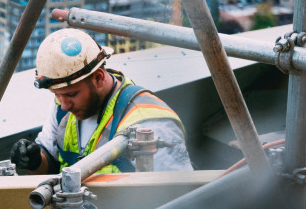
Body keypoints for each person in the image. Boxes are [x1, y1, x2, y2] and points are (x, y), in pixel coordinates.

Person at [10, 28, 192, 175]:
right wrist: (34, 160)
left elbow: (176, 198)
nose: (64, 104)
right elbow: (51, 163)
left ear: (98, 78)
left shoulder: (149, 122)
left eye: (72, 95)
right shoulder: (62, 107)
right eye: (57, 95)